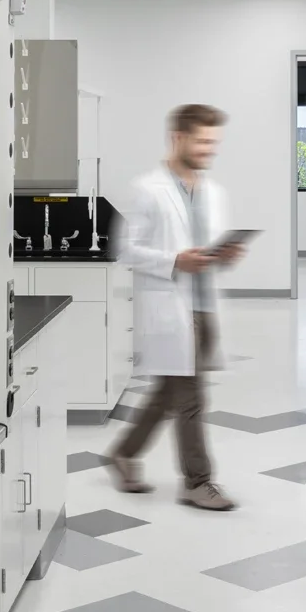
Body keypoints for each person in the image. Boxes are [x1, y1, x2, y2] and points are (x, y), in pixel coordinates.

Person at [109, 103, 245, 510]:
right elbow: (126, 249)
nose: (209, 150)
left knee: (168, 393)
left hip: (204, 308)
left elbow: (206, 248)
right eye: (202, 142)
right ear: (178, 138)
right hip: (170, 309)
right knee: (190, 399)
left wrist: (225, 255)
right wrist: (174, 261)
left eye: (213, 143)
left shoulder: (213, 192)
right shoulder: (146, 189)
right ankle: (197, 482)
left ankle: (123, 453)